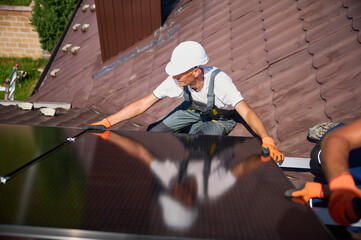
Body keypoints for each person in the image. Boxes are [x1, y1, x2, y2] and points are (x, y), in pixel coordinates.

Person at [87, 41, 284, 162]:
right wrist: (107, 122)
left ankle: (195, 136)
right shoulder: (178, 78)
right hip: (193, 110)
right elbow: (143, 103)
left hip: (220, 118)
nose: (175, 78)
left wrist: (266, 139)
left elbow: (247, 112)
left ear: (196, 71)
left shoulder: (220, 82)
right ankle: (192, 128)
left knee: (199, 144)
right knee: (154, 133)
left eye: (179, 74)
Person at [285, 118, 361, 226]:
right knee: (319, 158)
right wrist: (340, 184)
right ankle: (339, 128)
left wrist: (322, 192)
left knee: (339, 215)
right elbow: (338, 138)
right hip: (350, 155)